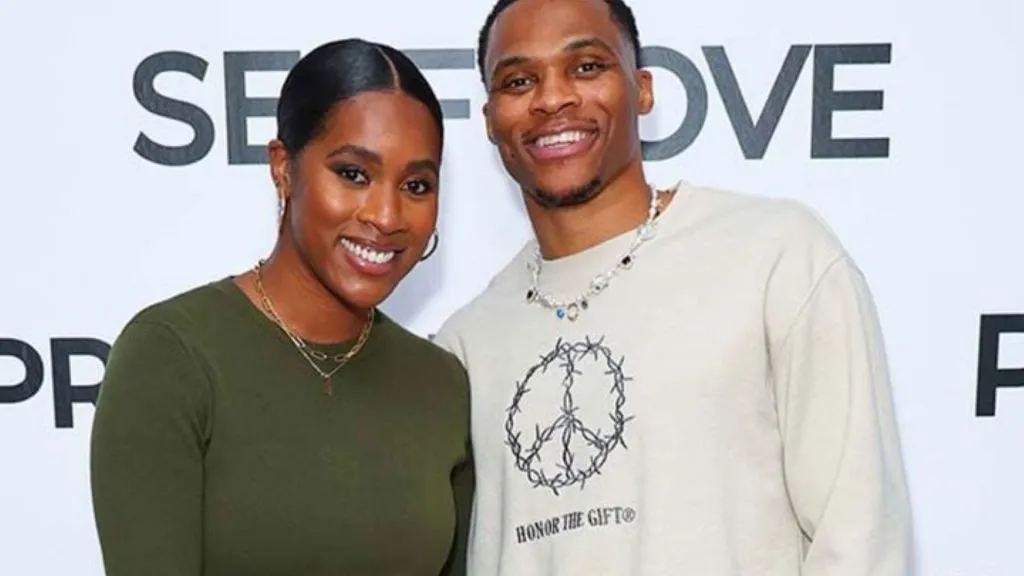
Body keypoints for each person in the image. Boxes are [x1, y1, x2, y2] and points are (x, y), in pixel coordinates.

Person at [432, 0, 913, 574]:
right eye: (519, 80)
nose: (552, 97)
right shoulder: (465, 343)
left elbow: (858, 536)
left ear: (643, 90)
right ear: (489, 118)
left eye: (586, 67)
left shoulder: (776, 255)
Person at [90, 38, 472, 576]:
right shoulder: (172, 355)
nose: (387, 216)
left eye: (415, 184)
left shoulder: (441, 385)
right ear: (283, 167)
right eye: (353, 174)